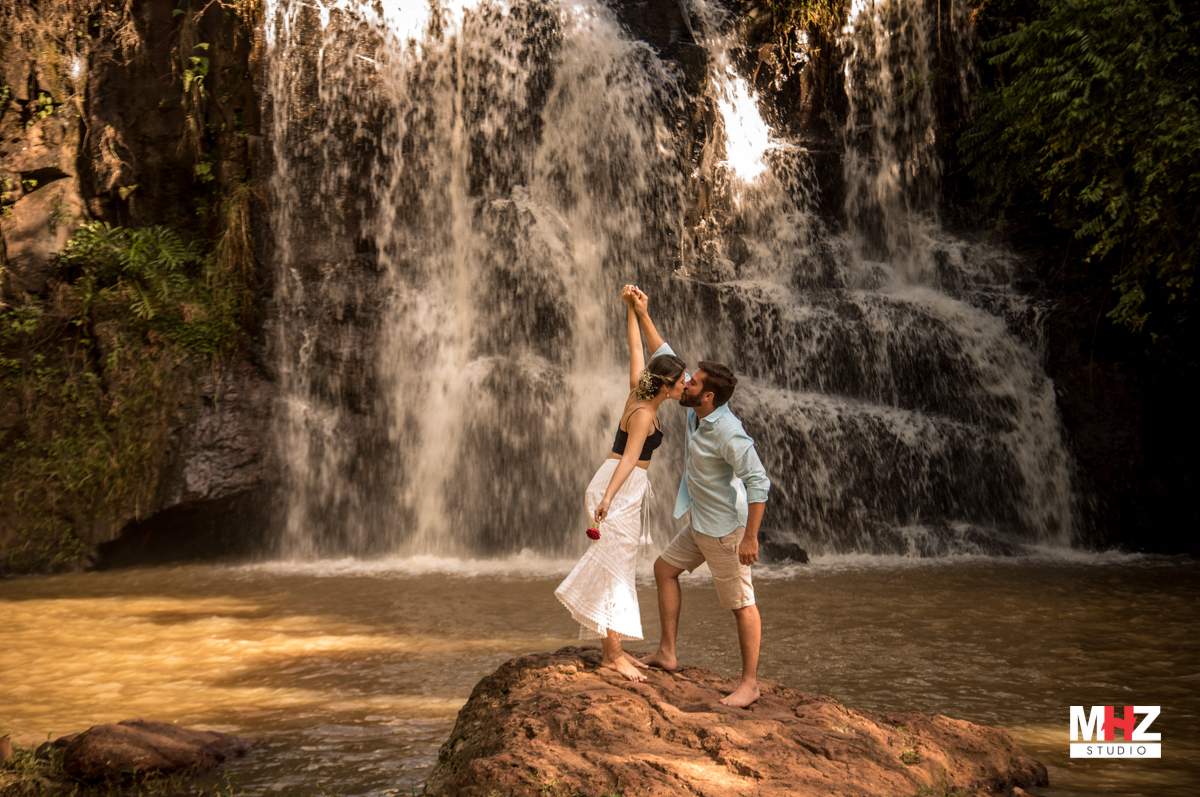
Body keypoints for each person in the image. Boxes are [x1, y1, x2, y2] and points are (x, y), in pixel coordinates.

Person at [629, 287, 771, 707]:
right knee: (663, 569)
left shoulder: (729, 432)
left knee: (741, 603)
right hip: (700, 524)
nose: (682, 383)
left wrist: (750, 538)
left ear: (707, 396)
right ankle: (668, 653)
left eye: (691, 383)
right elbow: (664, 353)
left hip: (728, 531)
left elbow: (759, 482)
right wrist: (641, 312)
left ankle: (750, 683)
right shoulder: (697, 410)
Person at [555, 286, 687, 682]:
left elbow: (636, 352)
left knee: (617, 567)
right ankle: (613, 657)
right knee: (616, 569)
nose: (685, 387)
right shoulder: (645, 413)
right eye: (680, 382)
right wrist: (609, 500)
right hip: (618, 487)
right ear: (666, 387)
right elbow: (630, 458)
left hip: (613, 485)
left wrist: (632, 311)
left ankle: (614, 652)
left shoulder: (639, 390)